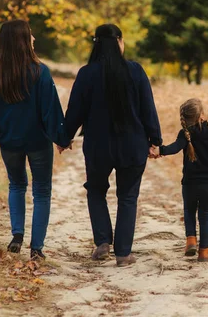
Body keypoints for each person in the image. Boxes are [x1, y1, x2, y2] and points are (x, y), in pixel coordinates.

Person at [60, 24, 161, 267]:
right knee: (128, 196)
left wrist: (64, 137)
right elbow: (148, 109)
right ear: (119, 42)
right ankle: (123, 253)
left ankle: (103, 242)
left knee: (96, 191)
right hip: (132, 145)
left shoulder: (86, 73)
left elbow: (75, 111)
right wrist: (155, 140)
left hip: (98, 146)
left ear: (96, 44)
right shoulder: (135, 71)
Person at [0, 19, 70, 260]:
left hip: (10, 143)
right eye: (31, 35)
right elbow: (50, 110)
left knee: (17, 185)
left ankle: (17, 235)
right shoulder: (40, 72)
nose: (34, 39)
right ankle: (36, 247)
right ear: (22, 40)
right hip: (38, 142)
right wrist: (61, 137)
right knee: (41, 191)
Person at [154, 98, 208, 262]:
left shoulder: (185, 135)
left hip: (190, 183)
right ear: (201, 117)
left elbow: (174, 148)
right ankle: (204, 252)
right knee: (205, 215)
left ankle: (191, 240)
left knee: (189, 211)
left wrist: (159, 150)